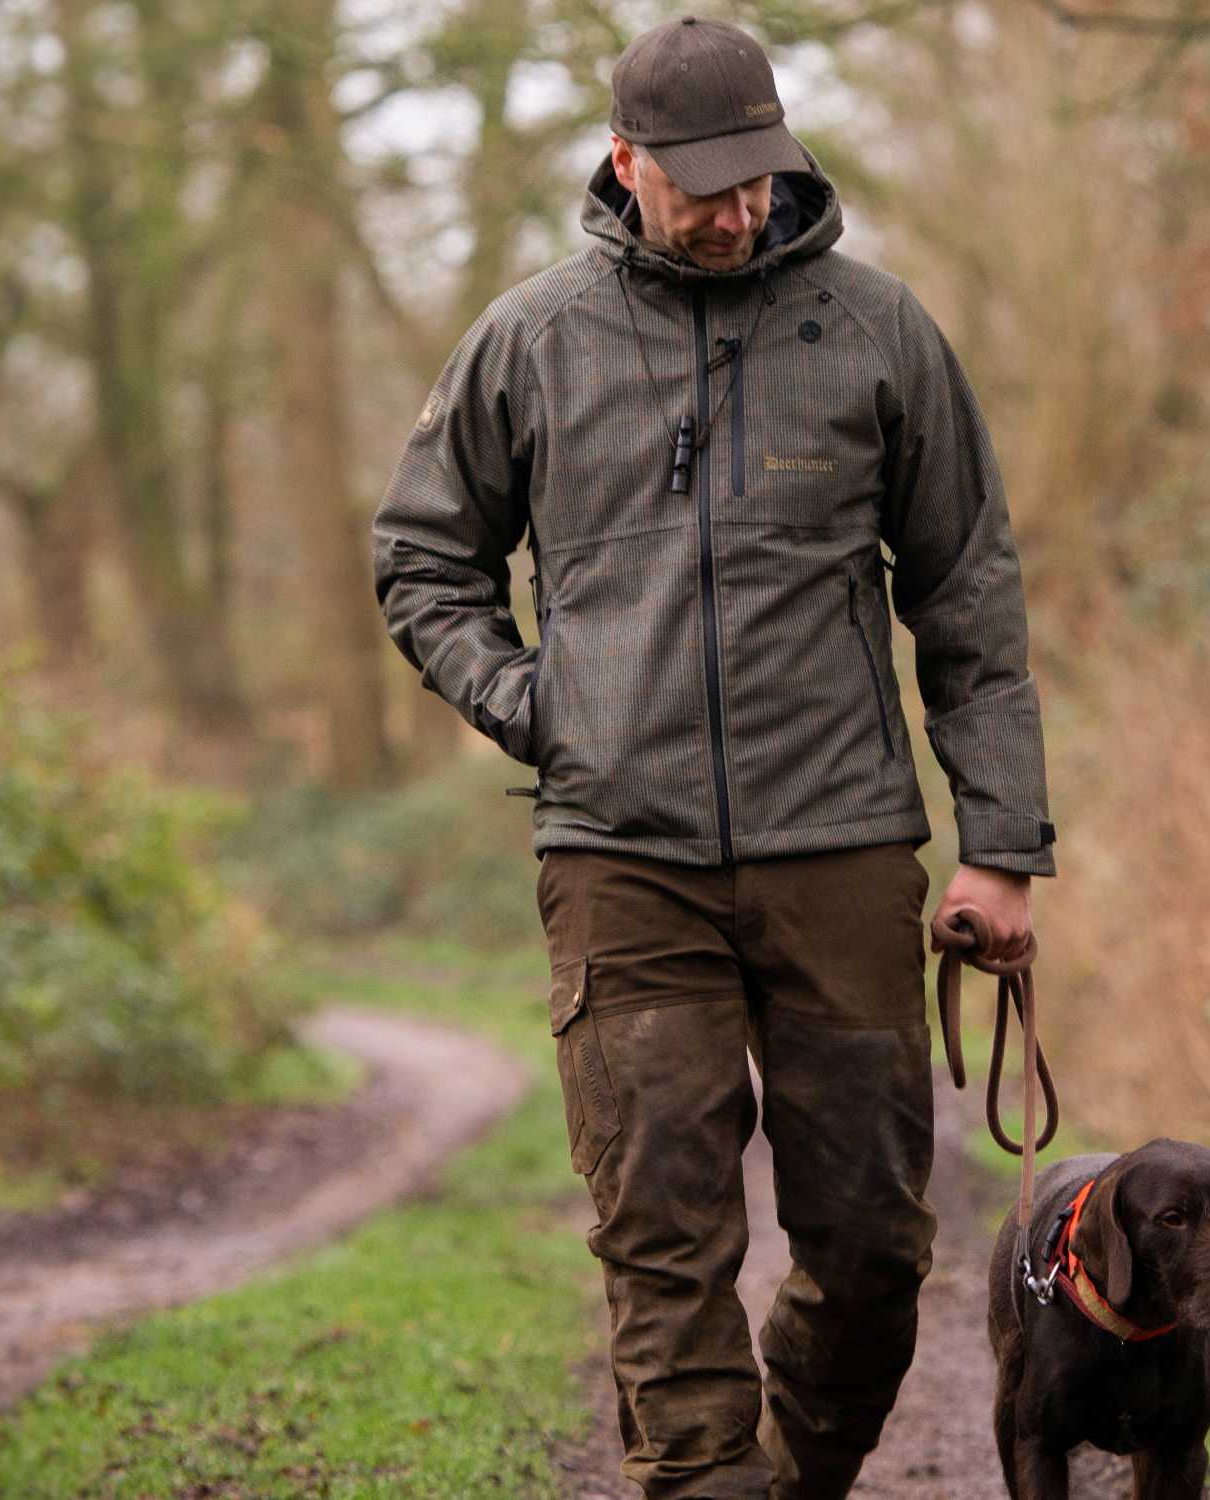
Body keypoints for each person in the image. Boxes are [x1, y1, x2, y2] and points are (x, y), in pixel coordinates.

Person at [371, 15, 1056, 1498]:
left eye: (760, 177)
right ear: (626, 163)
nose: (739, 210)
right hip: (621, 859)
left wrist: (1001, 844)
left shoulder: (877, 332)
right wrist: (537, 706)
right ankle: (705, 1481)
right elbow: (424, 561)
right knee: (662, 1236)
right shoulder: (532, 339)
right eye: (704, 186)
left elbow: (968, 596)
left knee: (875, 1246)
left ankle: (785, 1472)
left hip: (844, 846)